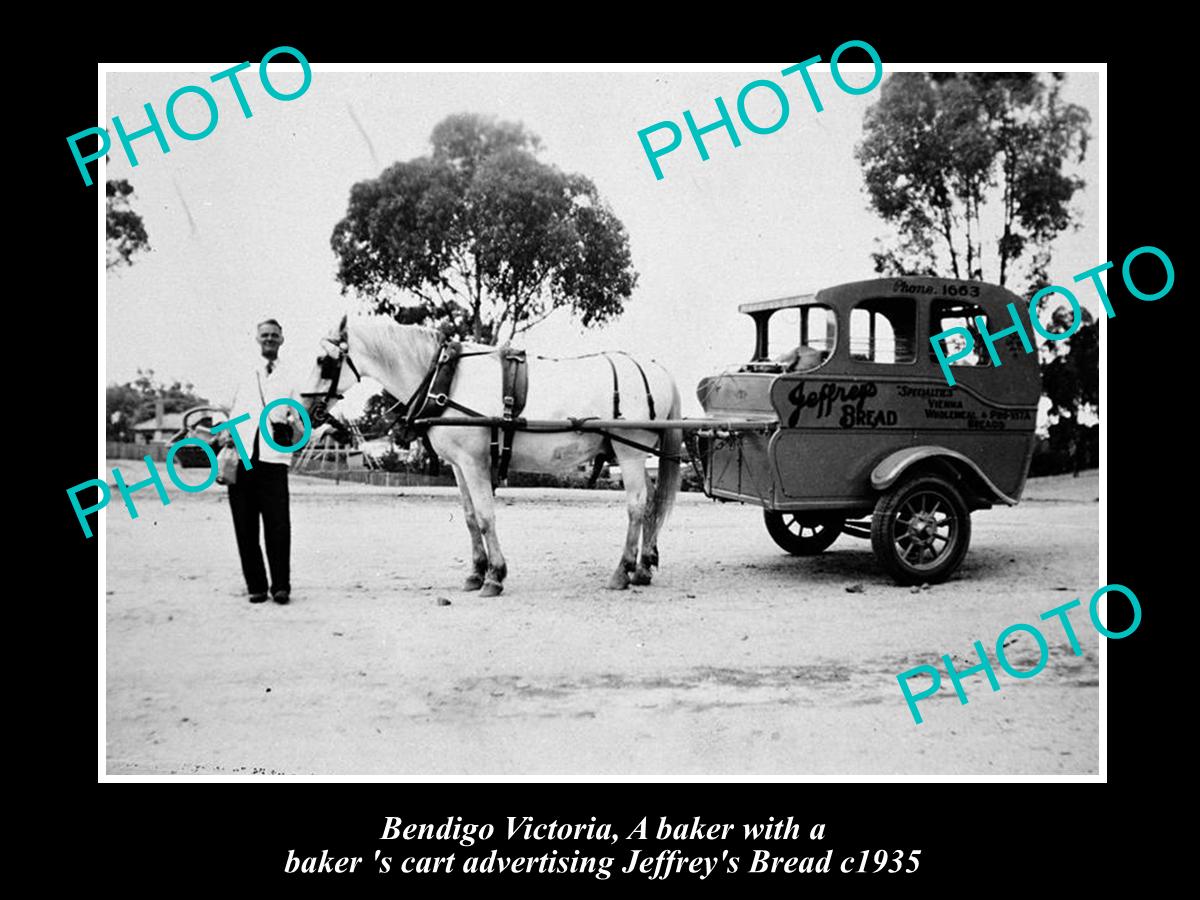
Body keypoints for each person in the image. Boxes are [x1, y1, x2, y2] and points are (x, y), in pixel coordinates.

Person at [218, 318, 301, 605]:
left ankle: (281, 586)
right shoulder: (241, 371)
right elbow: (221, 408)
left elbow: (300, 414)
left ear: (282, 339)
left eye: (274, 335)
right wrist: (224, 430)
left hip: (273, 458)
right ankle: (256, 585)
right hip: (241, 457)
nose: (269, 339)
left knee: (278, 524)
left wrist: (292, 424)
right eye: (264, 335)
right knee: (245, 524)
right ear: (257, 339)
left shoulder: (291, 376)